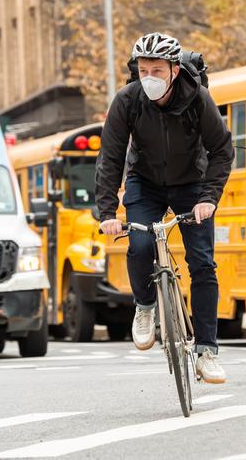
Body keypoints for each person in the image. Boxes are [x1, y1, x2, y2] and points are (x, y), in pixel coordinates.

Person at [95, 32, 234, 384]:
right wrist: (109, 213)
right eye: (143, 70)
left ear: (174, 70)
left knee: (202, 263)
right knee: (140, 245)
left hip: (192, 184)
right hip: (145, 183)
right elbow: (110, 157)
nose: (150, 77)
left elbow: (222, 151)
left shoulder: (198, 99)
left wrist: (209, 199)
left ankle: (206, 352)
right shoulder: (127, 100)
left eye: (157, 69)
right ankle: (145, 307)